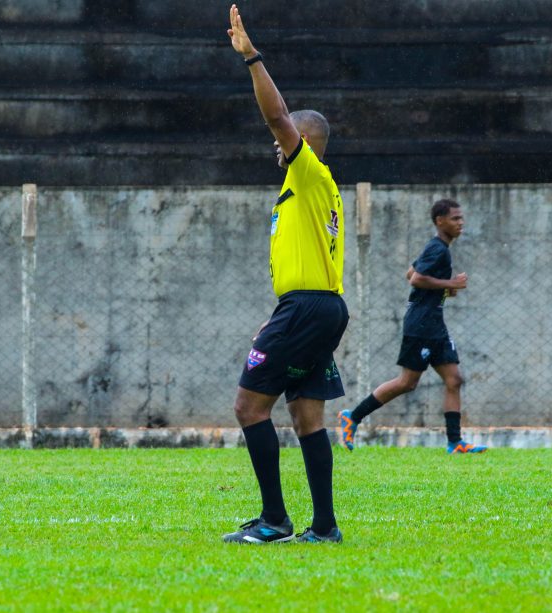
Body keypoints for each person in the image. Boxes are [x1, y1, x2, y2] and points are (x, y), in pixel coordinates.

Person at [222, 4, 349, 544]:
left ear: (305, 142)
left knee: (249, 406)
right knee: (306, 416)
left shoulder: (310, 170)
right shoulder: (308, 187)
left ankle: (275, 521)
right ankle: (324, 527)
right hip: (317, 309)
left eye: (289, 136)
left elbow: (277, 117)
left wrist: (252, 57)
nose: (278, 140)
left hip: (307, 308)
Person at [338, 199, 488, 454]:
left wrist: (445, 287)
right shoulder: (438, 249)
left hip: (434, 323)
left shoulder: (438, 248)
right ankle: (353, 416)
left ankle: (455, 442)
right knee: (407, 382)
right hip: (421, 325)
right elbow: (417, 279)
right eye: (455, 219)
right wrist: (450, 283)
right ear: (440, 221)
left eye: (461, 218)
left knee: (454, 380)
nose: (460, 223)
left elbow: (410, 273)